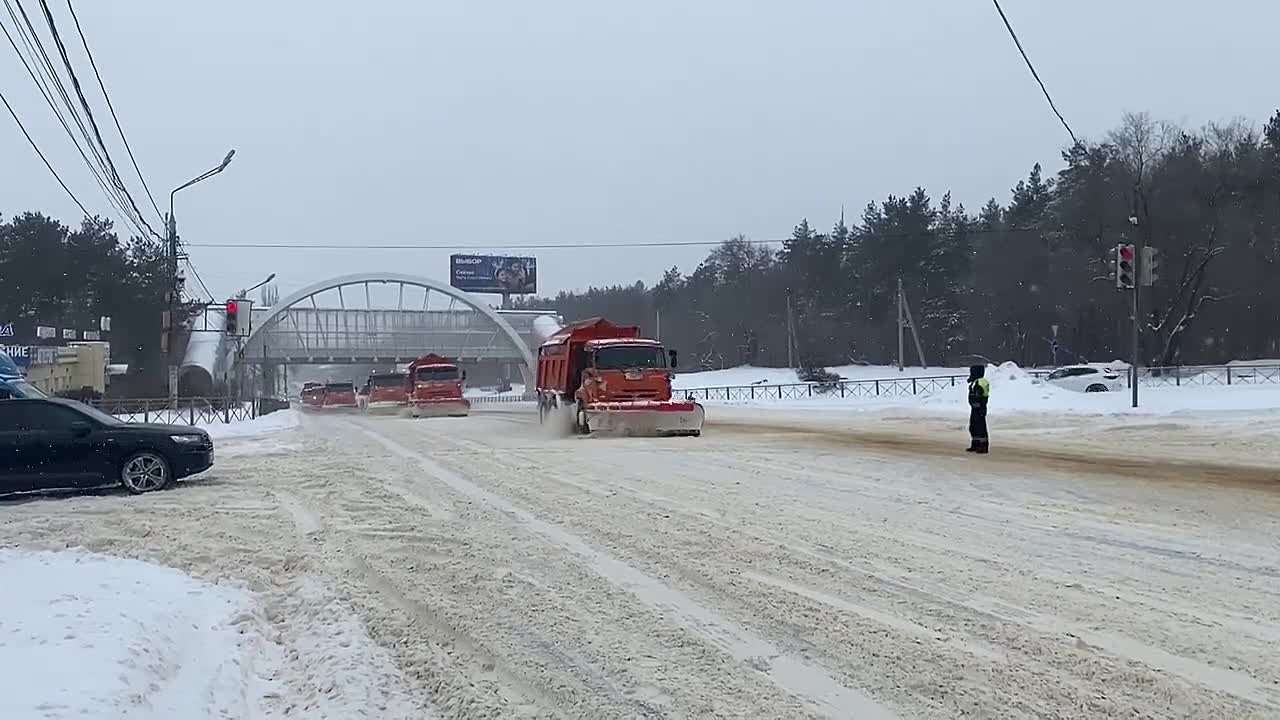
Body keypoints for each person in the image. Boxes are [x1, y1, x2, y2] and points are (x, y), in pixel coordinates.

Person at [966, 364, 991, 453]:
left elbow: (980, 394)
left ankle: (983, 446)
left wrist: (977, 401)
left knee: (980, 427)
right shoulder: (976, 381)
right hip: (975, 407)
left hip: (979, 407)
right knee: (973, 426)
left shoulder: (980, 382)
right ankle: (976, 444)